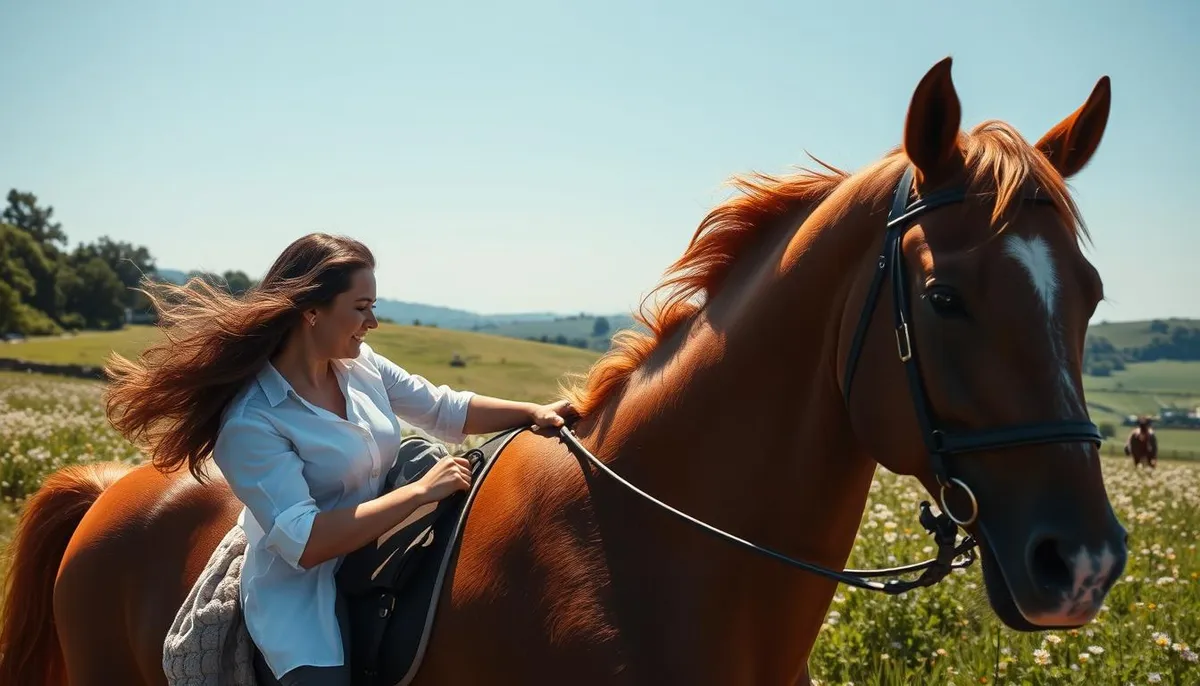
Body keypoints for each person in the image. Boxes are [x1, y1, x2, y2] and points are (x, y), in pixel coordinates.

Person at [104, 233, 574, 686]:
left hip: (384, 537)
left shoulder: (361, 364)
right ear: (312, 311)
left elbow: (441, 407)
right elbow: (306, 542)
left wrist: (533, 411)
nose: (372, 324)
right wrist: (420, 492)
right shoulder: (251, 421)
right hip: (304, 583)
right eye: (361, 308)